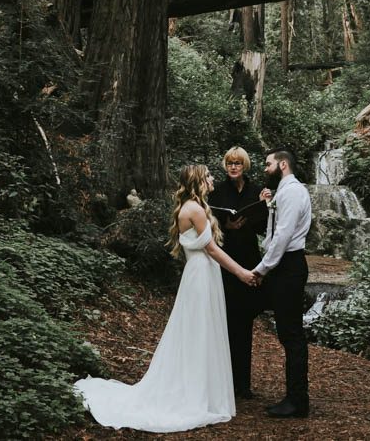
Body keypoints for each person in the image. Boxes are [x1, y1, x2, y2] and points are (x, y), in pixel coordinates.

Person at [74, 164, 257, 432]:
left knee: (199, 330)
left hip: (201, 273)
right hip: (201, 274)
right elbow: (212, 250)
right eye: (207, 175)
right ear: (198, 181)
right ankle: (195, 393)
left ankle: (200, 388)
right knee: (199, 331)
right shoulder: (194, 209)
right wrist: (241, 272)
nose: (212, 178)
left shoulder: (194, 206)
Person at [253, 148, 312, 419]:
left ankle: (297, 401)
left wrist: (262, 269)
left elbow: (283, 236)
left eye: (268, 164)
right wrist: (269, 206)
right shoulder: (284, 192)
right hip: (284, 265)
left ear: (283, 164)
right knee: (288, 333)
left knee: (292, 336)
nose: (265, 169)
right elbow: (277, 229)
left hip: (287, 266)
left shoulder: (292, 192)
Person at [208, 146, 268, 399]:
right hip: (225, 262)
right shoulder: (217, 192)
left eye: (238, 164)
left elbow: (264, 228)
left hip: (250, 261)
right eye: (230, 163)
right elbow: (207, 225)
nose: (234, 167)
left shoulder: (257, 192)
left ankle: (242, 384)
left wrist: (265, 207)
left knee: (243, 324)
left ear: (245, 166)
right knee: (223, 322)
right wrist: (227, 224)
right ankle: (221, 381)